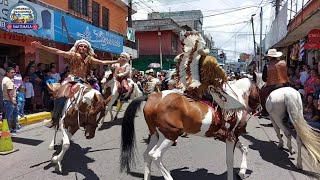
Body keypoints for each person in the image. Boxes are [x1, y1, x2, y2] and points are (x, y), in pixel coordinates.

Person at [31, 39, 120, 128]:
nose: (83, 48)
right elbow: (58, 51)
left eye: (85, 47)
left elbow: (102, 62)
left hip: (82, 81)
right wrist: (42, 47)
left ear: (88, 49)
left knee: (94, 96)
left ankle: (88, 118)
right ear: (77, 47)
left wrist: (116, 62)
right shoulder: (73, 55)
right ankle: (54, 119)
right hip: (71, 79)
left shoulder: (89, 58)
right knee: (61, 96)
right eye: (81, 46)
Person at [260, 49, 290, 116]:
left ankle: (265, 110)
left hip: (273, 85)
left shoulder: (267, 65)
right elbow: (288, 74)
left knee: (261, 94)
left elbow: (264, 79)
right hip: (285, 84)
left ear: (269, 57)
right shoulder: (284, 63)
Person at [2, 67, 19, 133]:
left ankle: (13, 127)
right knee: (8, 116)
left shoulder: (5, 79)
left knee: (12, 114)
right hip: (9, 100)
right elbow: (9, 92)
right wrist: (12, 101)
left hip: (7, 100)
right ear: (7, 73)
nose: (13, 74)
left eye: (14, 72)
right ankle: (8, 129)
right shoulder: (8, 80)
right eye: (12, 72)